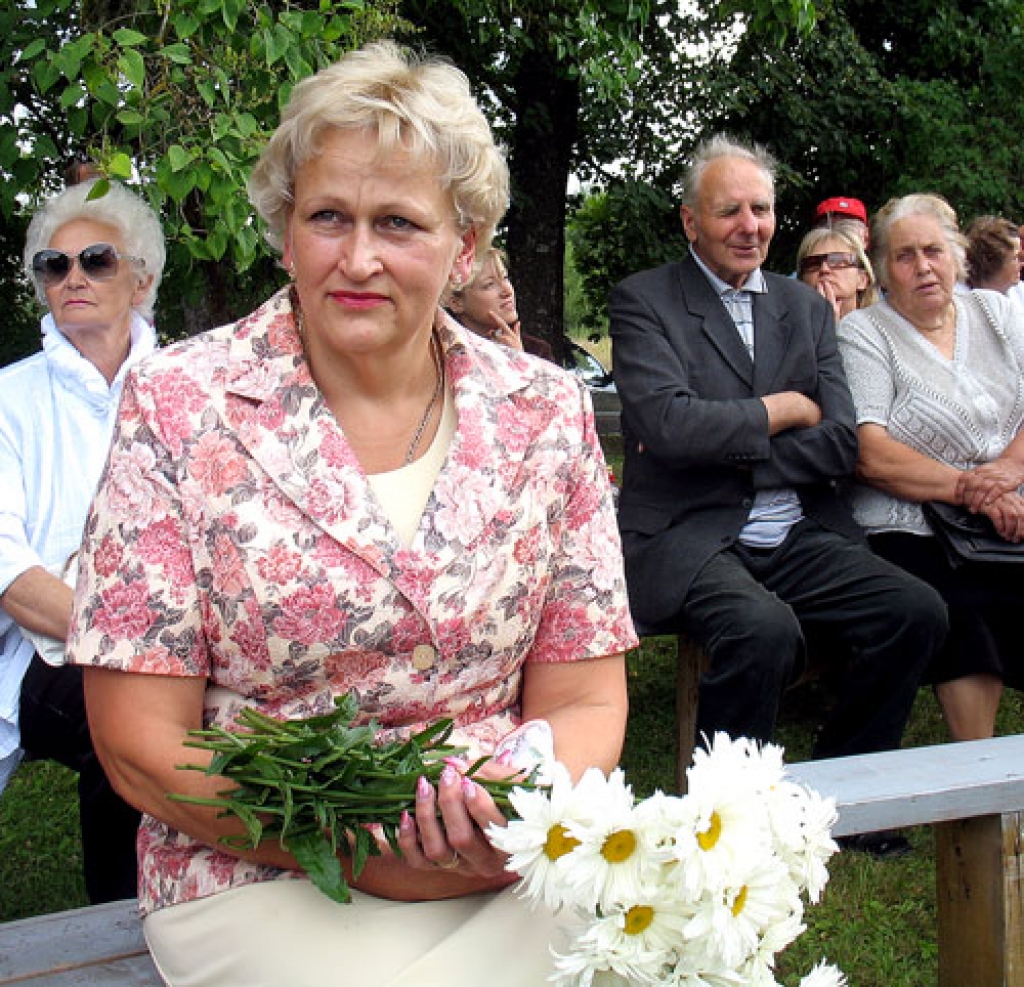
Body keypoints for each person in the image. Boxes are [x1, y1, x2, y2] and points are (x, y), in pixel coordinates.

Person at [66, 41, 634, 987]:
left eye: (400, 222)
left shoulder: (546, 410)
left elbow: (585, 698)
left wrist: (519, 816)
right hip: (263, 870)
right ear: (286, 233)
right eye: (329, 215)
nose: (358, 257)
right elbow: (138, 738)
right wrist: (367, 850)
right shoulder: (177, 403)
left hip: (506, 861)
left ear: (466, 246)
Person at [611, 135, 946, 805]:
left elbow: (841, 442)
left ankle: (836, 791)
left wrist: (722, 441)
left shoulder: (802, 308)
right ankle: (724, 818)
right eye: (729, 209)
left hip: (797, 531)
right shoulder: (645, 301)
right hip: (690, 533)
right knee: (763, 630)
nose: (749, 225)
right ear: (690, 221)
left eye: (760, 208)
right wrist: (782, 409)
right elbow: (666, 427)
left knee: (916, 610)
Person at [0, 178, 162, 901]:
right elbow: (9, 571)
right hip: (38, 652)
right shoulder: (11, 399)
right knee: (119, 722)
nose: (72, 278)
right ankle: (123, 932)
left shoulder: (187, 389)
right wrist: (132, 642)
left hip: (181, 643)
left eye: (96, 261)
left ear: (142, 277)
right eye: (53, 265)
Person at [838, 193, 1024, 741]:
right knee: (962, 613)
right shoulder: (865, 333)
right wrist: (973, 489)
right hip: (911, 521)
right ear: (883, 269)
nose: (923, 266)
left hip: (1009, 510)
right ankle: (983, 795)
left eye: (934, 251)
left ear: (959, 256)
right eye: (904, 255)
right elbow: (870, 453)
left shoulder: (997, 313)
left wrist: (1010, 470)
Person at [444, 246, 555, 360]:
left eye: (505, 277)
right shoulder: (440, 353)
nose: (507, 291)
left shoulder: (538, 351)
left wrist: (520, 360)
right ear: (455, 302)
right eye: (489, 285)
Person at [797, 224, 879, 321]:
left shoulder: (879, 329)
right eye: (813, 263)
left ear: (862, 279)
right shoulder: (787, 330)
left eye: (838, 261)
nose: (824, 269)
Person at [964, 215, 1022, 294]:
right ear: (991, 264)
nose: (1021, 264)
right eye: (1015, 258)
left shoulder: (1020, 291)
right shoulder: (959, 299)